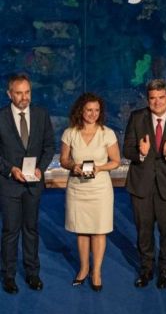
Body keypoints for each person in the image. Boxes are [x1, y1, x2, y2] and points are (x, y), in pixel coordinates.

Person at [124, 79, 166, 289]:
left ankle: (164, 270)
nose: (157, 102)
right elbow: (127, 150)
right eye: (153, 98)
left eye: (161, 97)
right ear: (148, 99)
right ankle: (146, 270)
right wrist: (140, 154)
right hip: (141, 185)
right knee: (144, 231)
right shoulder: (137, 118)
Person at [59, 93, 121, 292]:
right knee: (82, 230)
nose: (93, 114)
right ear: (80, 111)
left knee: (98, 230)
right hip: (77, 188)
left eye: (96, 110)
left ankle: (97, 272)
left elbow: (116, 161)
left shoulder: (107, 133)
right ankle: (84, 268)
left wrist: (100, 168)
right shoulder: (69, 133)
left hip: (100, 189)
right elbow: (63, 160)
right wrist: (73, 166)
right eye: (89, 110)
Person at [0, 74, 55, 294]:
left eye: (27, 92)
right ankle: (9, 276)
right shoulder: (1, 117)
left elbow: (49, 146)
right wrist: (10, 169)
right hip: (9, 185)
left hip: (33, 185)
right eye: (19, 93)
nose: (24, 97)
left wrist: (41, 167)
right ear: (9, 94)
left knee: (31, 229)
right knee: (11, 231)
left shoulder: (41, 115)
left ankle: (33, 274)